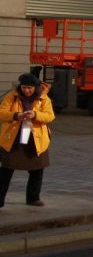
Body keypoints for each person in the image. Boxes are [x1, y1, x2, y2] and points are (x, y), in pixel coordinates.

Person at [0, 73, 55, 208]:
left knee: (37, 169)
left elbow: (50, 116)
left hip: (36, 139)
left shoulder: (44, 98)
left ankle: (33, 198)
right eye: (24, 87)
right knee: (6, 169)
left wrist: (35, 115)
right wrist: (16, 115)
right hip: (13, 137)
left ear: (36, 87)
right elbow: (1, 112)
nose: (27, 91)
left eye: (30, 88)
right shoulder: (11, 97)